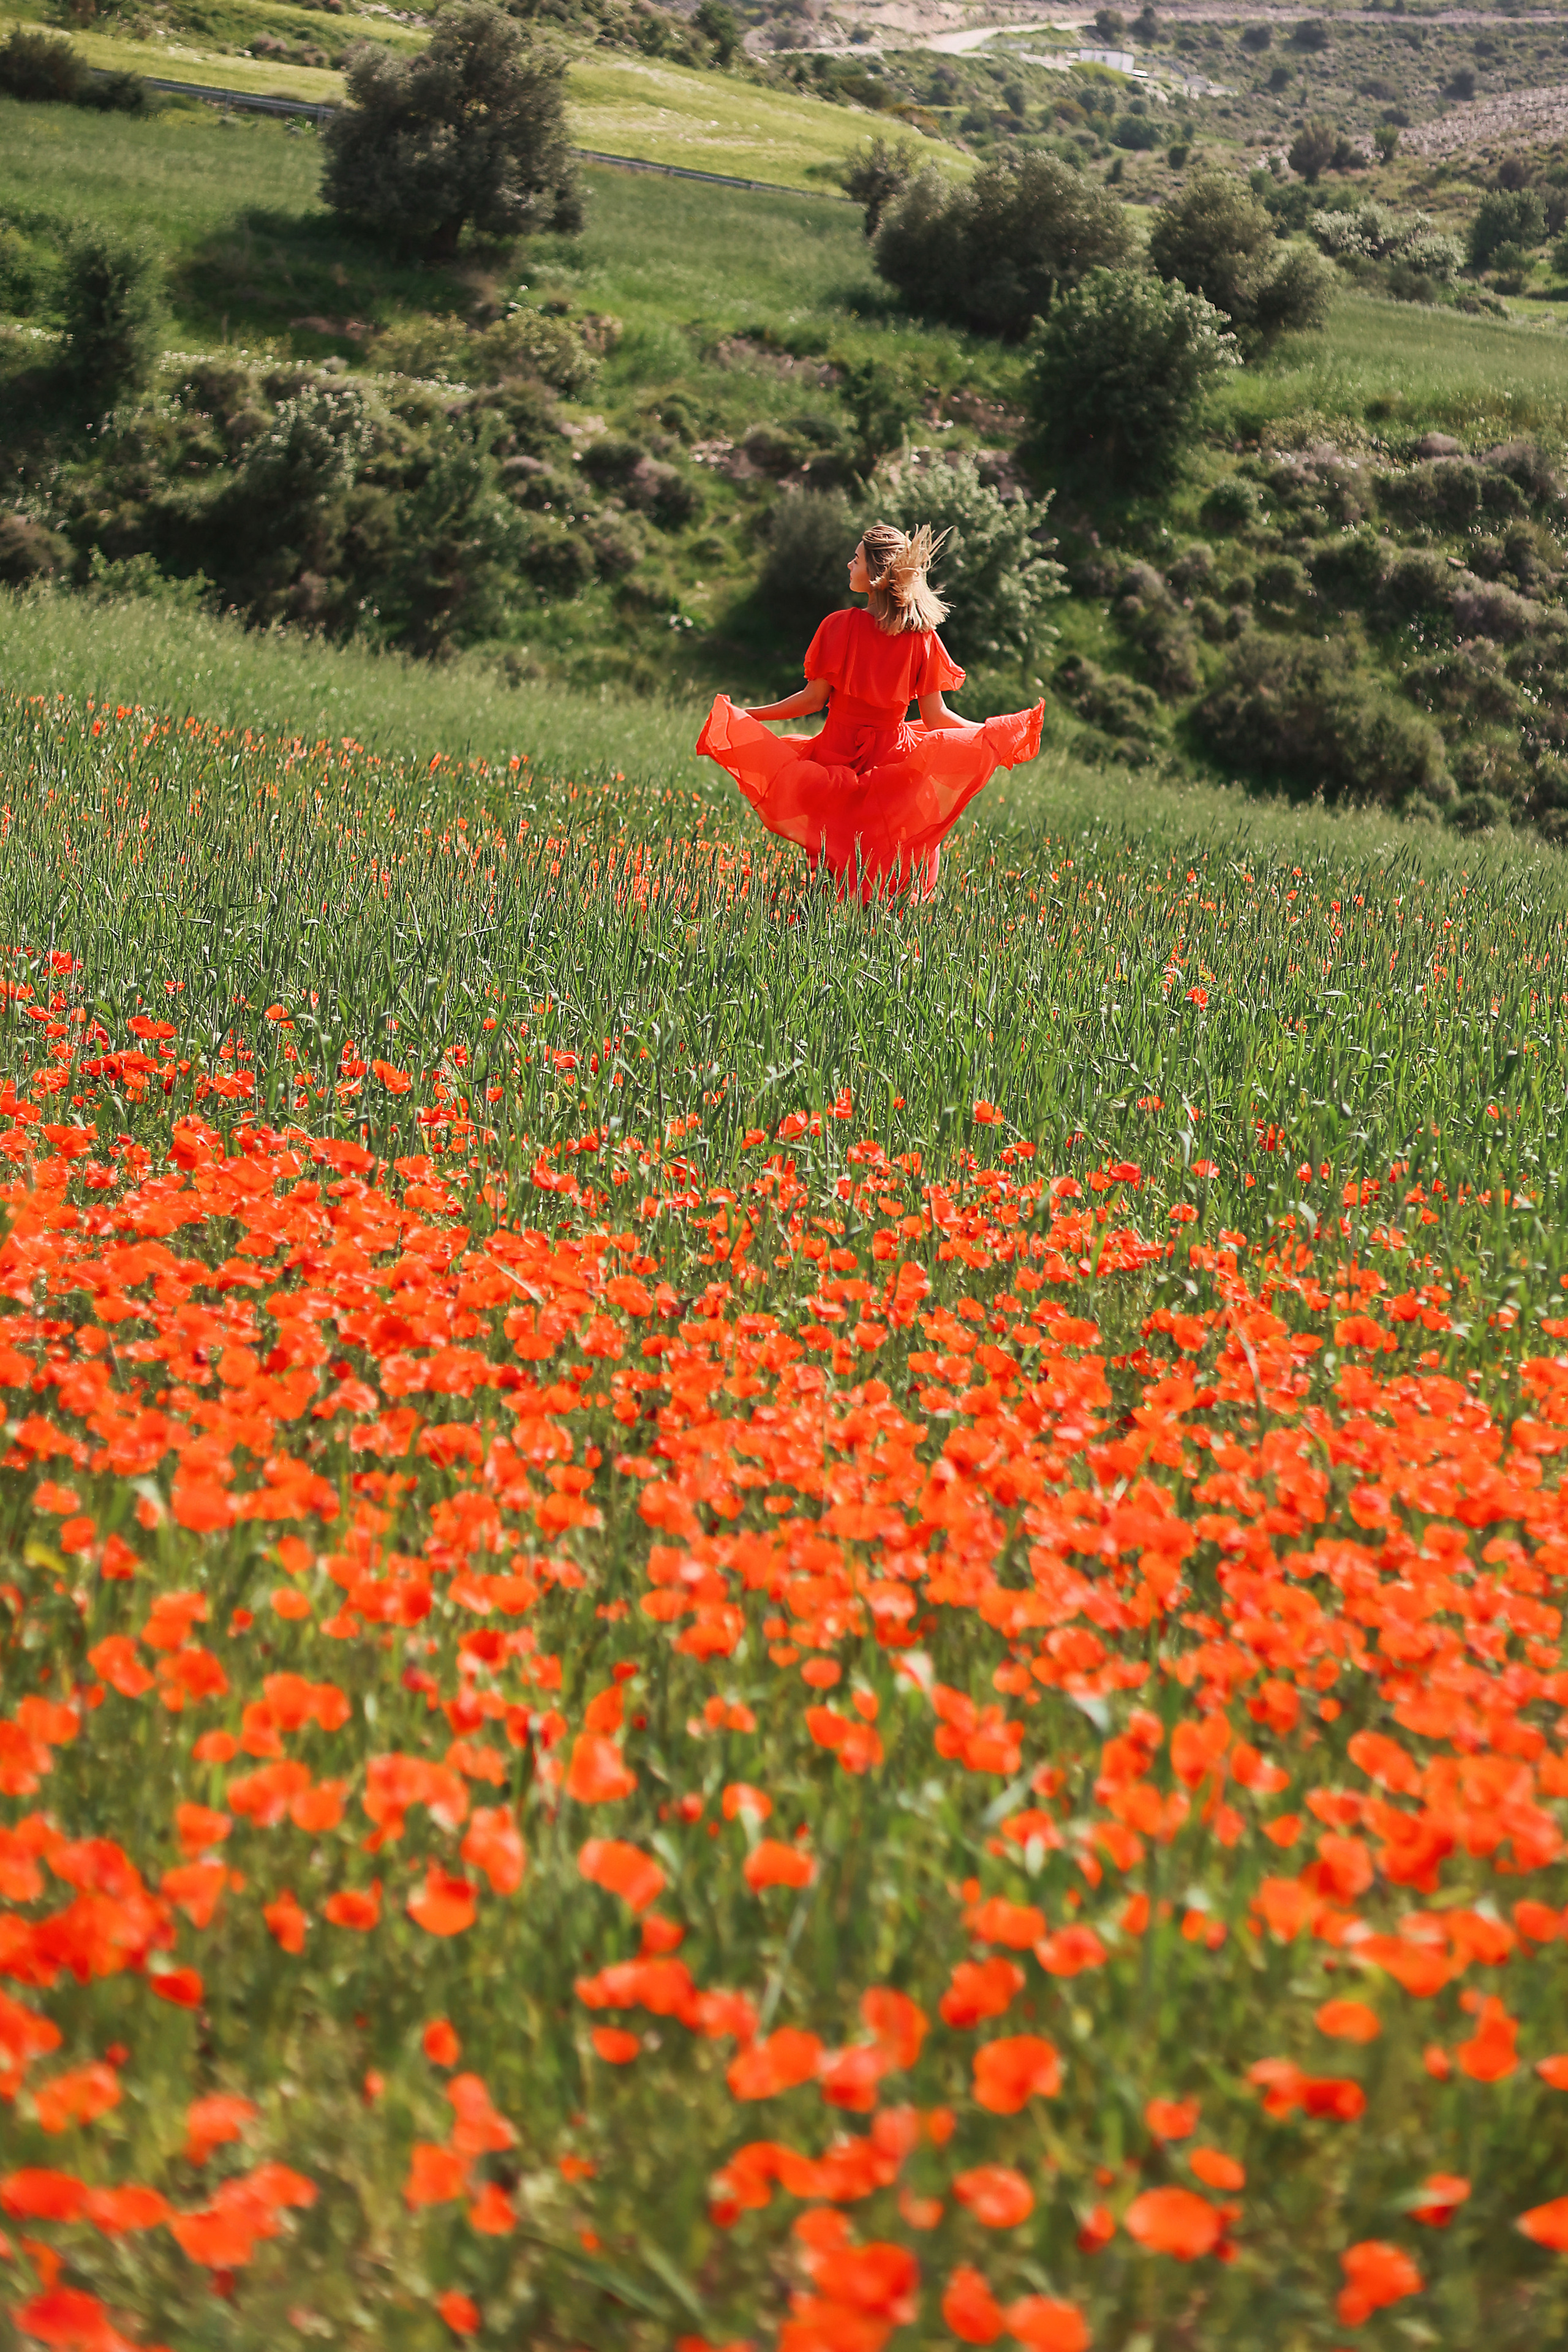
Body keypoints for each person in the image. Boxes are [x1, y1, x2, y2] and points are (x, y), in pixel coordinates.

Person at [696, 521, 1043, 902]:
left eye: (856, 559)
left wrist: (750, 715)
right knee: (886, 857)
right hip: (893, 762)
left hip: (836, 754)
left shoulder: (839, 626)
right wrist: (989, 735)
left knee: (833, 857)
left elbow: (812, 701)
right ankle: (870, 925)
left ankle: (826, 923)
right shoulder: (923, 639)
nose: (849, 564)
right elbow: (937, 719)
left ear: (876, 574)